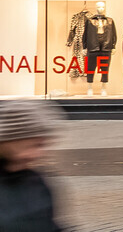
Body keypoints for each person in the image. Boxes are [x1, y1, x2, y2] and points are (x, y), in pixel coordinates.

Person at [0, 97, 65, 232]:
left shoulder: (37, 182)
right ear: (9, 140)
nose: (38, 154)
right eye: (34, 145)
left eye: (42, 145)